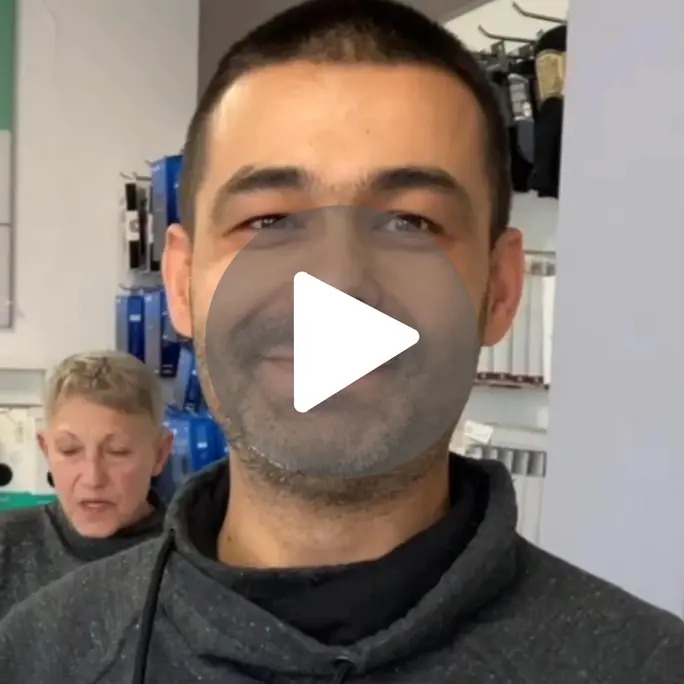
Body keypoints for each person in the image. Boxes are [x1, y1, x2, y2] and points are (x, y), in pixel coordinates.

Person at [1, 1, 683, 682]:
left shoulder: (644, 667)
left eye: (410, 223)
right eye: (269, 221)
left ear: (500, 290)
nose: (335, 282)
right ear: (182, 284)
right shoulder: (40, 655)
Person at [0, 350, 172, 619]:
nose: (93, 478)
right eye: (69, 450)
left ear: (159, 455)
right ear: (46, 449)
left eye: (117, 452)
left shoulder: (190, 559)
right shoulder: (7, 543)